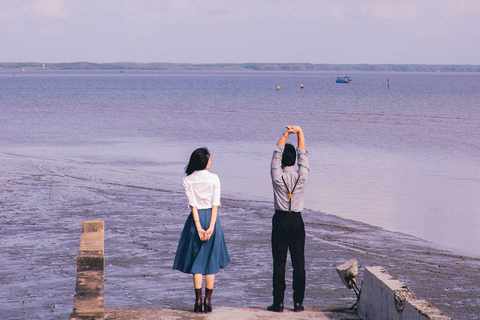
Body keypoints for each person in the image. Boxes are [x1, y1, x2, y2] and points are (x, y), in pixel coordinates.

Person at [173, 147, 230, 313]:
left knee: (196, 261)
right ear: (204, 161)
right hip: (212, 219)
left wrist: (198, 227)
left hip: (195, 220)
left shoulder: (188, 180)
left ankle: (197, 301)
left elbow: (193, 206)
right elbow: (215, 204)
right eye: (209, 158)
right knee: (210, 261)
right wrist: (211, 227)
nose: (211, 161)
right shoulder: (214, 179)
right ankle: (208, 301)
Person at [268, 125, 309, 312]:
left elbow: (276, 154)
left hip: (281, 220)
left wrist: (285, 134)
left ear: (283, 159)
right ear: (294, 160)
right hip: (297, 221)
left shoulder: (277, 177)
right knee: (299, 262)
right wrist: (300, 132)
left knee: (279, 263)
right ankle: (298, 302)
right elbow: (304, 156)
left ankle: (278, 303)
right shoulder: (302, 176)